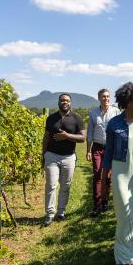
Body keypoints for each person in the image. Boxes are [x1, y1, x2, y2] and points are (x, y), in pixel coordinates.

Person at [101, 82, 133, 265]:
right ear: (128, 102)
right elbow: (107, 155)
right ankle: (123, 256)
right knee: (124, 216)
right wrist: (104, 179)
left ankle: (128, 257)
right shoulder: (114, 124)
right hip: (121, 171)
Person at [42, 93, 85, 226]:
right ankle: (50, 214)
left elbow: (82, 138)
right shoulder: (51, 118)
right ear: (58, 102)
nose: (64, 102)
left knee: (65, 186)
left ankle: (61, 212)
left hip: (69, 157)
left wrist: (66, 136)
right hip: (52, 156)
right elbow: (46, 137)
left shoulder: (77, 118)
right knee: (51, 185)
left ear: (70, 103)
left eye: (67, 100)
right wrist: (43, 155)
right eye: (62, 100)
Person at [86, 88, 121, 217]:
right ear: (99, 98)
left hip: (111, 148)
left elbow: (119, 130)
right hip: (97, 147)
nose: (106, 99)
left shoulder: (116, 111)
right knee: (97, 173)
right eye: (103, 97)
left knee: (108, 176)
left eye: (108, 96)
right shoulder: (94, 113)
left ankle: (105, 201)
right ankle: (97, 204)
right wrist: (88, 150)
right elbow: (89, 132)